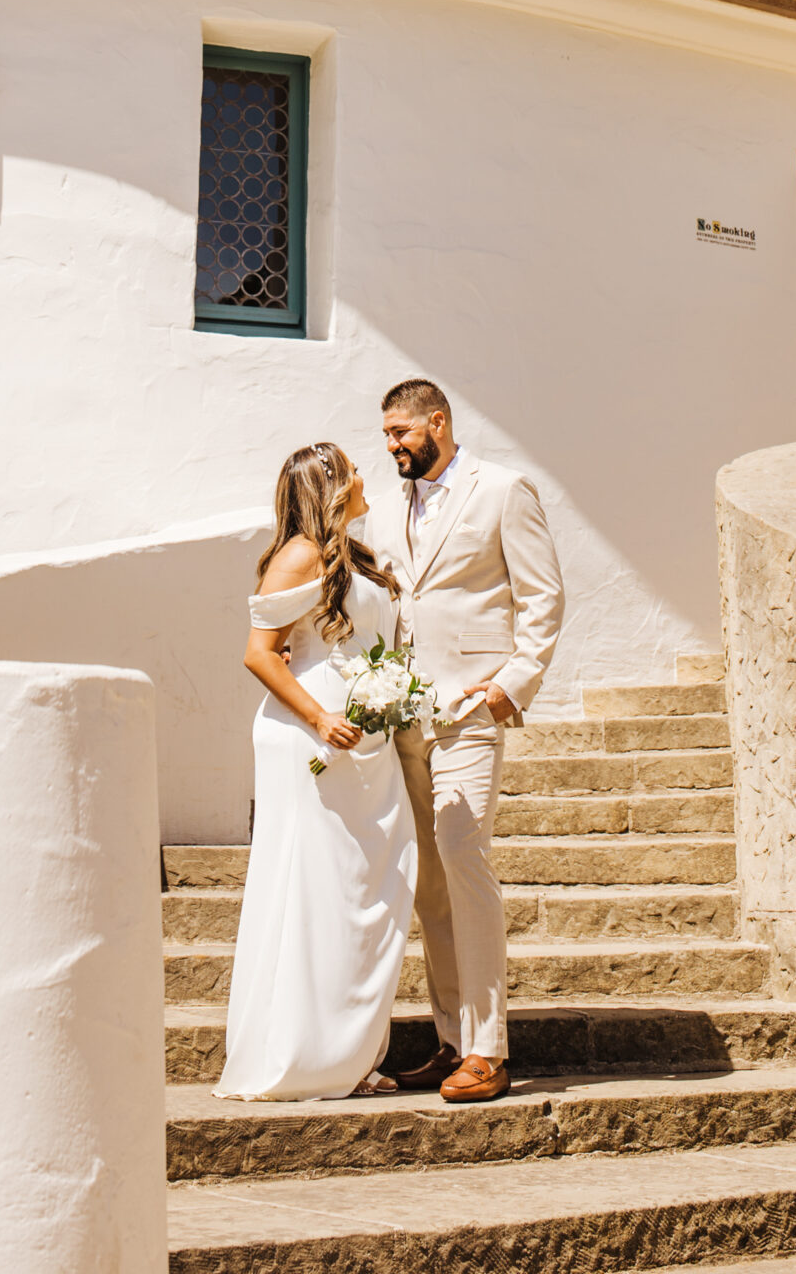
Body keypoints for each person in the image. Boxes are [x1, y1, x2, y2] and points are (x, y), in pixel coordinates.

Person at [370, 379, 564, 1105]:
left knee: (463, 856)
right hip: (404, 717)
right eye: (386, 435)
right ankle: (450, 1039)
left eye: (400, 432)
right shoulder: (387, 511)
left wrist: (510, 684)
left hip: (471, 710)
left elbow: (541, 596)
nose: (391, 445)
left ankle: (489, 1048)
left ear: (437, 423)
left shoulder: (503, 490)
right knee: (427, 882)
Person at [216, 441, 418, 1100]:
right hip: (313, 738)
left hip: (363, 736)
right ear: (330, 489)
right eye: (354, 471)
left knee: (364, 889)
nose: (365, 478)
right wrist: (317, 719)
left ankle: (347, 1051)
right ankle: (308, 1058)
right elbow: (259, 653)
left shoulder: (351, 557)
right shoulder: (299, 555)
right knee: (319, 888)